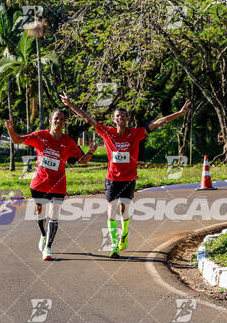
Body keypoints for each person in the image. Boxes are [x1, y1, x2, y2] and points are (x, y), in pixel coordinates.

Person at [60, 92, 191, 258]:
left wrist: (179, 113)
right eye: (117, 116)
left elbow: (159, 122)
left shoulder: (136, 133)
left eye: (123, 115)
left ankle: (125, 232)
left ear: (128, 119)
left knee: (124, 209)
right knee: (111, 209)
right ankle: (114, 245)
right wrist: (70, 105)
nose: (120, 118)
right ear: (113, 120)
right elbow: (88, 118)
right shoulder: (107, 132)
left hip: (128, 179)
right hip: (112, 179)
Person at [4, 110, 97, 260]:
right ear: (50, 120)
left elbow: (83, 160)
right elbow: (17, 140)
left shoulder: (68, 142)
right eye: (56, 118)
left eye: (61, 119)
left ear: (64, 123)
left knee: (54, 215)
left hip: (59, 184)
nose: (58, 121)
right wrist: (11, 129)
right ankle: (43, 234)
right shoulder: (40, 136)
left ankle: (47, 248)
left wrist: (90, 152)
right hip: (40, 183)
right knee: (40, 212)